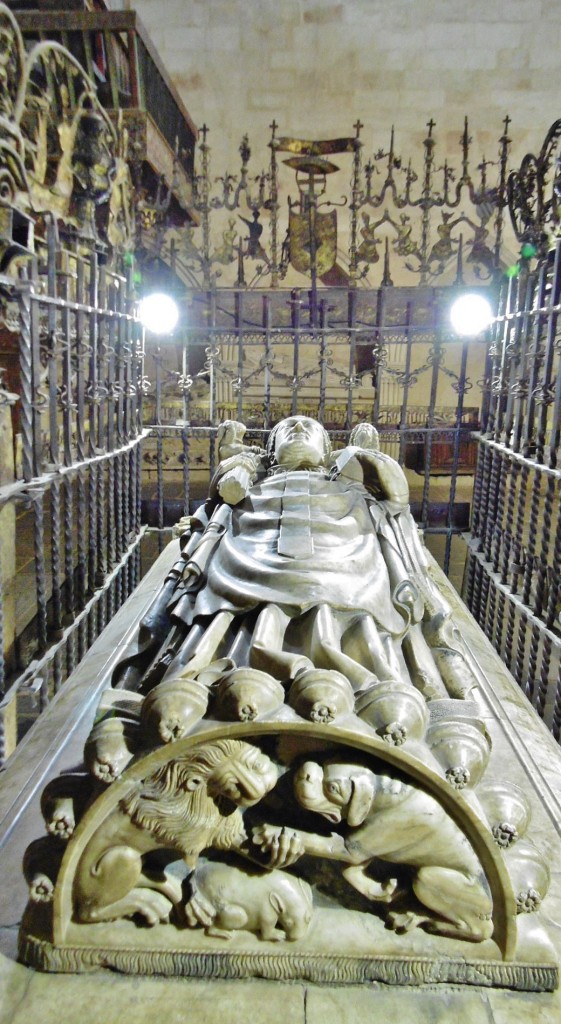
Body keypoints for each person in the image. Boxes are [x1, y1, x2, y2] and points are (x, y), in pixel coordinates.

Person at [124, 416, 475, 703]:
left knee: (348, 598)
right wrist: (241, 461)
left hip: (344, 549)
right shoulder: (252, 479)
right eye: (288, 429)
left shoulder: (351, 481)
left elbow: (396, 495)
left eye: (309, 429)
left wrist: (360, 453)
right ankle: (208, 677)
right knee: (233, 602)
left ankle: (373, 686)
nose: (299, 429)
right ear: (272, 452)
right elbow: (228, 486)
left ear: (326, 452)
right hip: (250, 546)